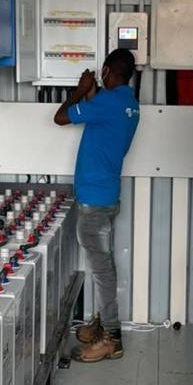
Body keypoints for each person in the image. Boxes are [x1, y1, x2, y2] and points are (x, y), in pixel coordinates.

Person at [54, 48, 140, 362]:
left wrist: (79, 91)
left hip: (95, 201)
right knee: (103, 264)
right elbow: (99, 114)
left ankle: (111, 338)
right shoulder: (128, 104)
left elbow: (61, 117)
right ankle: (103, 324)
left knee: (103, 270)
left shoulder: (107, 103)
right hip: (107, 195)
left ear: (106, 71)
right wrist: (92, 92)